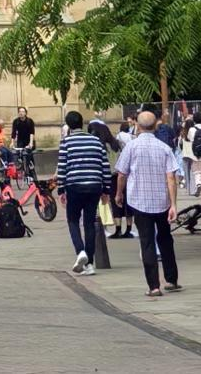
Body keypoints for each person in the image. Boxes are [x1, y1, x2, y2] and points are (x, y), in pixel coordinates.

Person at [115, 110, 181, 298]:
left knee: (147, 242)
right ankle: (171, 279)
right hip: (162, 201)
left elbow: (121, 174)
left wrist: (119, 194)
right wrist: (174, 204)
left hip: (139, 201)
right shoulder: (164, 148)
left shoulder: (131, 147)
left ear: (138, 125)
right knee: (165, 239)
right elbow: (171, 177)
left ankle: (154, 286)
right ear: (155, 126)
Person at [56, 110, 112, 276]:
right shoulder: (96, 141)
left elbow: (62, 167)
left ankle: (80, 251)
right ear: (82, 123)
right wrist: (106, 189)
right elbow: (105, 166)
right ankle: (90, 264)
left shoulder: (66, 142)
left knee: (73, 220)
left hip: (74, 185)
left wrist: (61, 189)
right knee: (89, 223)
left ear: (69, 125)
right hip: (94, 185)